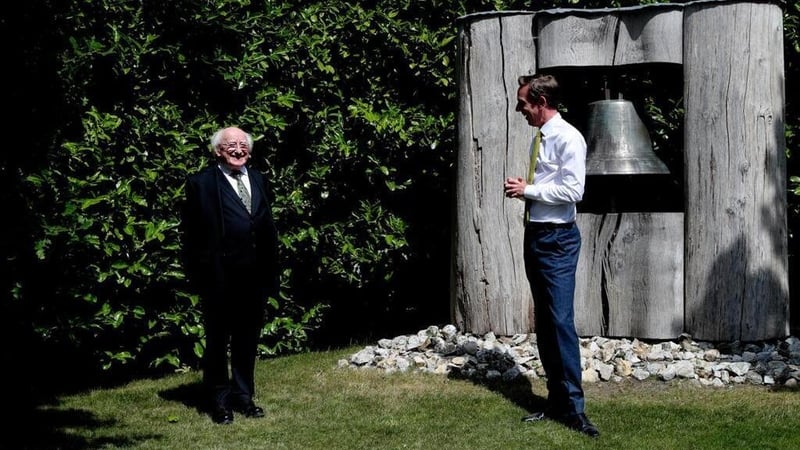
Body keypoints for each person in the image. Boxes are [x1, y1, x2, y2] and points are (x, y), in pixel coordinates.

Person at [503, 74, 599, 438]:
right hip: (537, 236)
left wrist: (528, 189)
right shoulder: (540, 138)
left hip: (558, 240)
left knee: (560, 321)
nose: (520, 109)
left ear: (541, 102)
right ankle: (556, 402)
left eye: (524, 103)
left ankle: (574, 410)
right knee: (545, 321)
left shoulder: (568, 137)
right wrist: (530, 191)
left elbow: (575, 190)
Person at [180, 126, 280, 424]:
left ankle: (243, 397)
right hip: (219, 278)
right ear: (217, 151)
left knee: (247, 340)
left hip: (254, 277)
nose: (238, 150)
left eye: (242, 145)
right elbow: (192, 236)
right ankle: (219, 401)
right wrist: (201, 274)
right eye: (230, 145)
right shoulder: (201, 184)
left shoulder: (259, 179)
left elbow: (265, 226)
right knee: (217, 341)